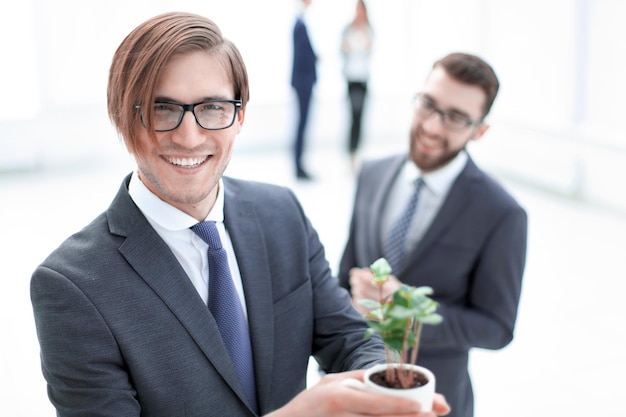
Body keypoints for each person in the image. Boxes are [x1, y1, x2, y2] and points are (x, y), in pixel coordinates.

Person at [29, 11, 451, 417]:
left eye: (212, 108)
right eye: (162, 108)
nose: (189, 137)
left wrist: (385, 392)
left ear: (239, 116)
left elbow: (346, 336)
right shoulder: (71, 286)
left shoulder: (281, 214)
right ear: (123, 116)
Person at [338, 52, 528, 417]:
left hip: (435, 397)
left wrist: (408, 310)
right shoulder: (372, 174)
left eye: (456, 118)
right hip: (357, 384)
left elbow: (497, 328)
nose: (433, 127)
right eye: (428, 105)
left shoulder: (501, 213)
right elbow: (342, 277)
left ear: (480, 130)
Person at [340, 0, 373, 172]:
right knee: (353, 116)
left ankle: (356, 153)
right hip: (351, 80)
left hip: (363, 80)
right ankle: (350, 154)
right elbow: (343, 50)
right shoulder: (348, 29)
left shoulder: (369, 29)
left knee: (360, 118)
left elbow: (369, 50)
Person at [290, 0, 317, 180]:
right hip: (303, 82)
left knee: (303, 124)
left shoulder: (302, 22)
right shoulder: (299, 24)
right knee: (302, 124)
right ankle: (299, 167)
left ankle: (300, 164)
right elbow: (302, 57)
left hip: (304, 81)